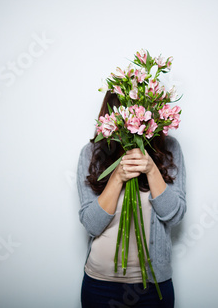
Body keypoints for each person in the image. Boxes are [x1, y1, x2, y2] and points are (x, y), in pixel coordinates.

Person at [77, 92, 186, 307]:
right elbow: (91, 225)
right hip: (100, 285)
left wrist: (151, 169)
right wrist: (117, 177)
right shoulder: (91, 153)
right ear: (112, 115)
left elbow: (175, 216)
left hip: (154, 286)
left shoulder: (169, 150)